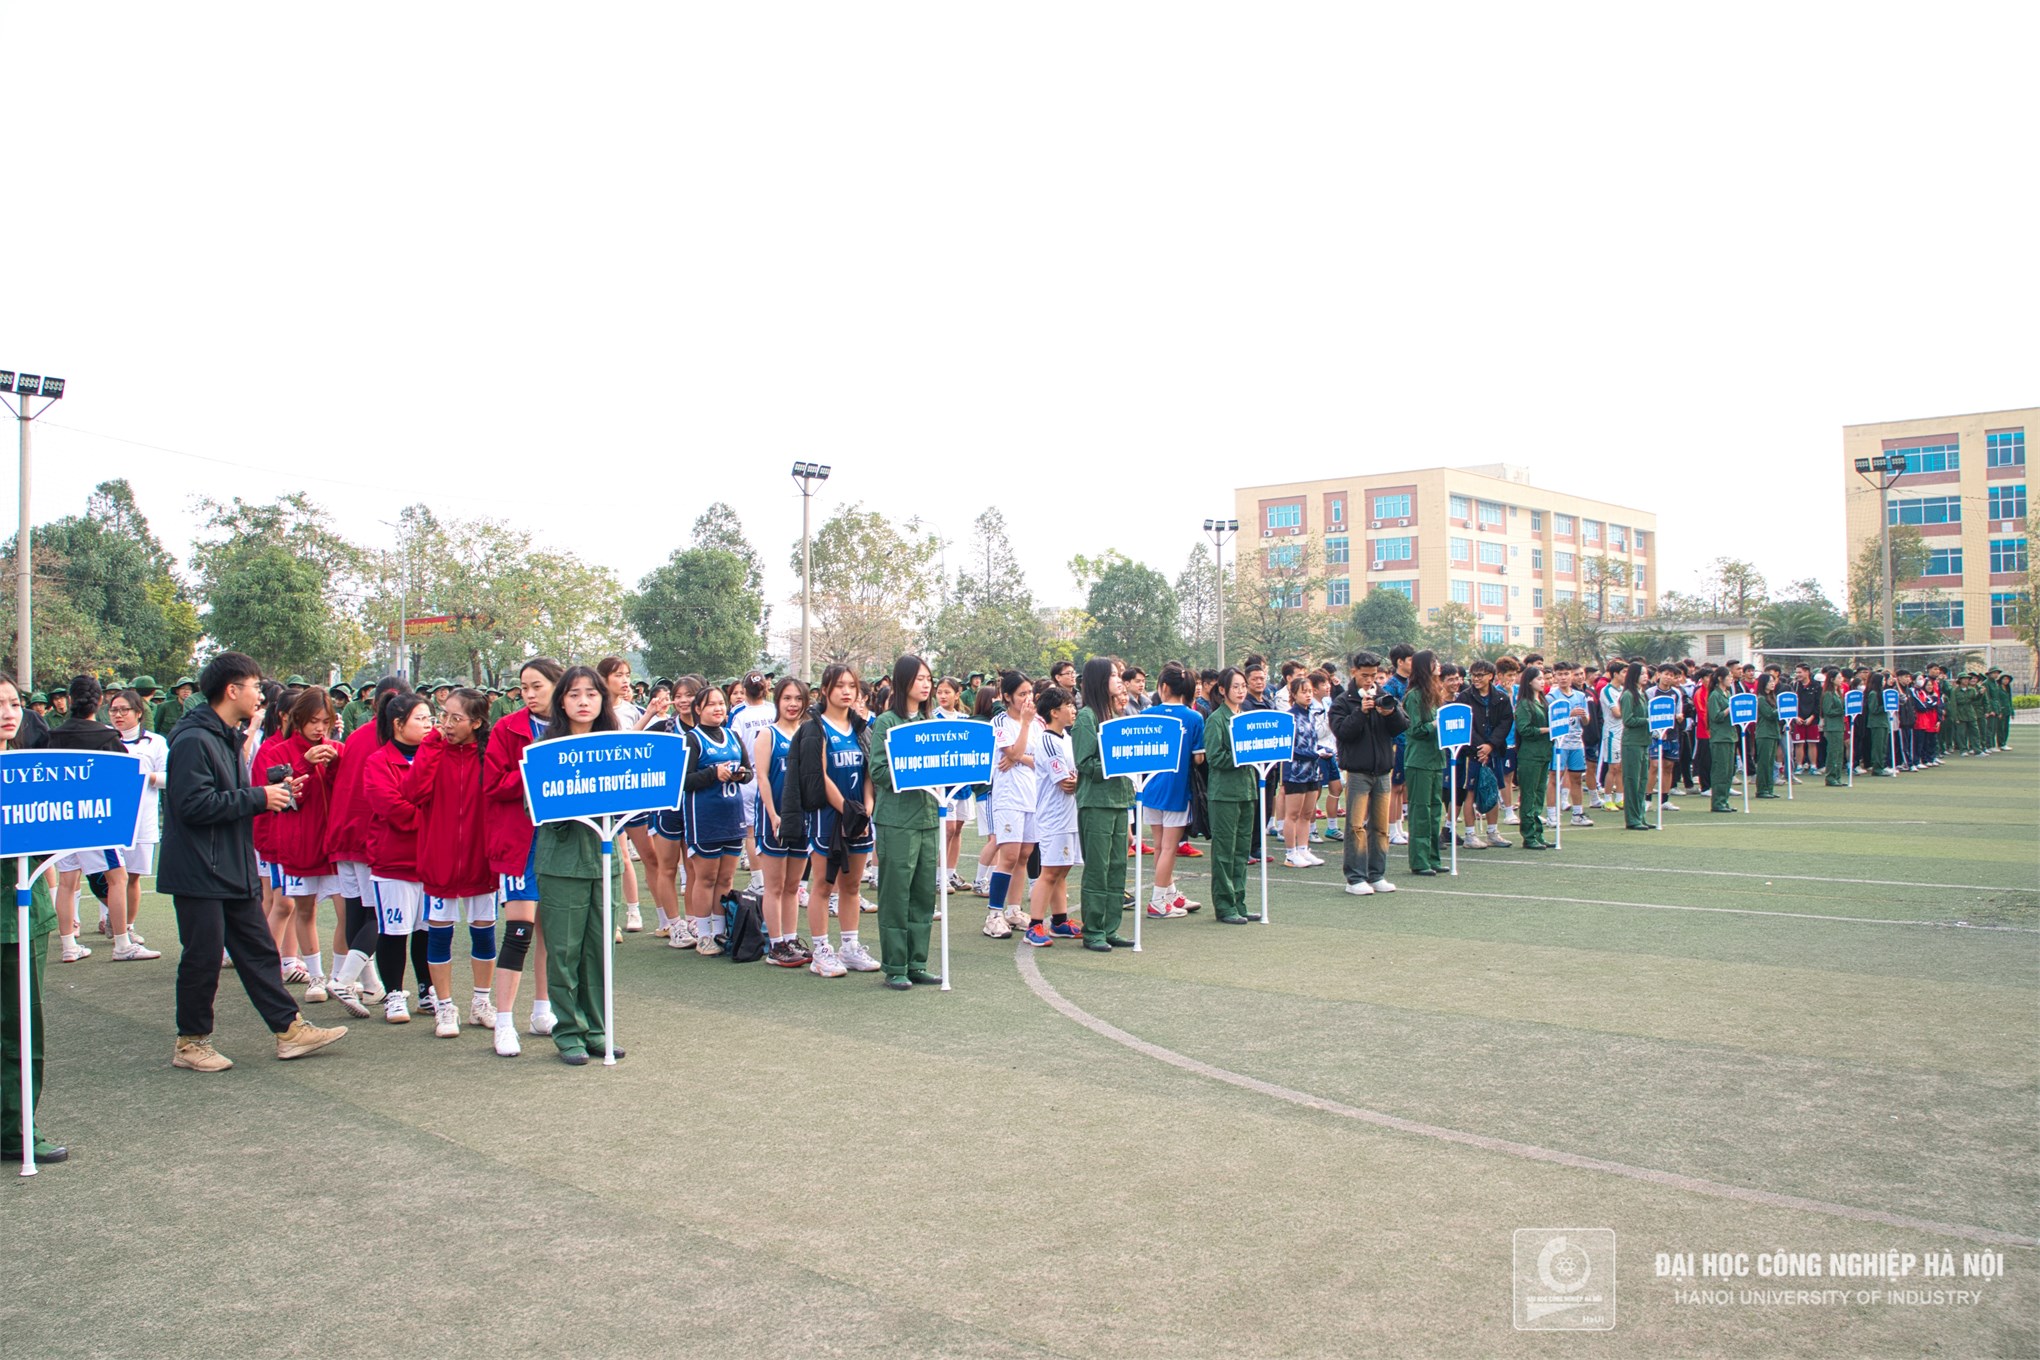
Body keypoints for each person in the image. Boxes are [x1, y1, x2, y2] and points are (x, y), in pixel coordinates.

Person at [160, 654, 347, 1071]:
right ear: (232, 690)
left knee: (260, 951)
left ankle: (289, 1029)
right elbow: (193, 805)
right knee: (202, 957)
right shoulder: (194, 739)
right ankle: (191, 1042)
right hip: (199, 870)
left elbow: (228, 797)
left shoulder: (225, 734)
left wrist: (272, 792)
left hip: (230, 866)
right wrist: (261, 797)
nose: (260, 694)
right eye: (254, 686)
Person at [531, 667, 626, 1065]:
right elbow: (537, 807)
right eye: (574, 694)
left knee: (599, 951)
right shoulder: (546, 749)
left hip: (606, 862)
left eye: (591, 694)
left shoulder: (619, 747)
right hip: (562, 864)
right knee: (565, 952)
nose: (583, 701)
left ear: (603, 701)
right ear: (562, 702)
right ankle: (568, 1031)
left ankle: (597, 1030)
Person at [402, 687, 499, 1038]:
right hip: (439, 861)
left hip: (480, 861)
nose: (445, 724)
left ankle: (481, 1003)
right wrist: (430, 746)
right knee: (439, 937)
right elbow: (412, 793)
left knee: (484, 935)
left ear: (476, 722)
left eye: (455, 718)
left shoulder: (488, 756)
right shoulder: (432, 751)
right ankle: (445, 1006)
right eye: (442, 716)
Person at [482, 658, 563, 1054]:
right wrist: (535, 770)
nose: (529, 695)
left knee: (551, 929)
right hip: (520, 842)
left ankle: (542, 1009)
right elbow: (494, 784)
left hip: (561, 840)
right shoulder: (507, 727)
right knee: (520, 930)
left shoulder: (574, 726)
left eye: (537, 687)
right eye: (524, 687)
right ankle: (503, 1021)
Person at [0, 675, 66, 1163]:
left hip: (22, 916)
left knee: (22, 1027)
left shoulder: (33, 772)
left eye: (13, 702)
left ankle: (18, 1127)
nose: (9, 711)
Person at [780, 664, 878, 977]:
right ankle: (822, 951)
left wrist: (867, 807)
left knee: (851, 887)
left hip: (859, 818)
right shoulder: (815, 728)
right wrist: (846, 809)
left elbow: (868, 772)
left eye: (852, 685)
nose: (847, 691)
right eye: (839, 686)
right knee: (823, 886)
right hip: (827, 818)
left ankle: (850, 947)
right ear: (826, 690)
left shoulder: (861, 727)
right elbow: (816, 775)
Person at [256, 687, 346, 999]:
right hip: (299, 845)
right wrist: (305, 764)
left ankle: (340, 976)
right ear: (297, 720)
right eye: (313, 721)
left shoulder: (337, 748)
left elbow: (344, 795)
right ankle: (317, 976)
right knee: (302, 910)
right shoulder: (276, 753)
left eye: (325, 721)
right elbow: (286, 799)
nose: (319, 728)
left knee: (345, 911)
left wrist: (334, 765)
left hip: (333, 845)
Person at [866, 655, 945, 988]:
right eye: (919, 679)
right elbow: (879, 772)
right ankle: (895, 965)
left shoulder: (935, 722)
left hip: (929, 817)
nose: (926, 684)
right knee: (896, 893)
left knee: (924, 894)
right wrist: (915, 771)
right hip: (897, 820)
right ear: (903, 683)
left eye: (929, 679)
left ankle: (917, 962)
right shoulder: (887, 722)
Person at [43, 676, 130, 963]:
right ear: (101, 701)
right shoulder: (106, 737)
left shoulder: (52, 736)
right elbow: (124, 779)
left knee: (68, 882)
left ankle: (68, 945)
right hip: (96, 820)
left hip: (61, 821)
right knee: (117, 879)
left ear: (70, 700)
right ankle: (122, 943)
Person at [363, 694, 434, 1023]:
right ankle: (393, 993)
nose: (428, 724)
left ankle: (427, 990)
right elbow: (391, 807)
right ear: (398, 724)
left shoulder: (436, 756)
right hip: (394, 862)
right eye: (420, 718)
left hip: (431, 862)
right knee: (394, 931)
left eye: (430, 718)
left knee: (428, 931)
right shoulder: (378, 761)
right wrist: (435, 819)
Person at [678, 682, 751, 956]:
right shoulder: (693, 739)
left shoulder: (732, 735)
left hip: (732, 816)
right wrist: (713, 774)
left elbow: (748, 772)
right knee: (705, 878)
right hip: (704, 818)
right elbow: (683, 781)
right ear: (698, 709)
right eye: (711, 704)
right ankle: (704, 933)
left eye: (721, 703)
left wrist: (741, 774)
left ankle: (721, 931)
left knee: (727, 878)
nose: (718, 708)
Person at [1327, 651, 1406, 893]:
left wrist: (1389, 713)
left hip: (1382, 770)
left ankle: (1377, 874)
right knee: (1355, 826)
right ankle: (1355, 878)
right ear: (1353, 672)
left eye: (1374, 675)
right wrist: (1361, 712)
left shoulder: (1385, 696)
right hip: (1358, 771)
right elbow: (1342, 732)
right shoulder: (1343, 701)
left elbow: (1403, 725)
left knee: (1380, 826)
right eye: (1364, 675)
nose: (1370, 680)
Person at [1072, 657, 1135, 950]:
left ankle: (1111, 927)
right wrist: (1114, 764)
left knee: (1118, 865)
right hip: (1097, 801)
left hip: (1120, 798)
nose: (1119, 679)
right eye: (1113, 675)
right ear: (1099, 680)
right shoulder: (1087, 717)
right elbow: (1085, 762)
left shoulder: (1116, 713)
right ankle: (1094, 929)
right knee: (1098, 866)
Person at [102, 687, 170, 956]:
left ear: (139, 714)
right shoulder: (105, 739)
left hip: (144, 819)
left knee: (133, 877)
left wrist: (146, 777)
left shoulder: (155, 742)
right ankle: (113, 924)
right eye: (113, 710)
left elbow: (169, 777)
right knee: (112, 876)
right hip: (112, 819)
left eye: (124, 710)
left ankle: (128, 926)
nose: (118, 715)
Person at [1138, 667, 1205, 916]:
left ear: (1163, 687)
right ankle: (1158, 900)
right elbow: (1198, 758)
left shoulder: (1147, 714)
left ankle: (1169, 893)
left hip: (1150, 787)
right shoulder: (1194, 718)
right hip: (1177, 789)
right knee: (1168, 848)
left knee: (1159, 846)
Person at [754, 678, 812, 967]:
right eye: (787, 698)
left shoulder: (808, 733)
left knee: (794, 886)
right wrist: (773, 814)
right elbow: (762, 777)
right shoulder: (768, 734)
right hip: (774, 817)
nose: (793, 704)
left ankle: (790, 939)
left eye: (798, 699)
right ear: (777, 700)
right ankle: (775, 945)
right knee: (774, 886)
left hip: (802, 817)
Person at [980, 671, 1041, 941]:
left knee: (1025, 853)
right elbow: (1013, 753)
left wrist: (1021, 758)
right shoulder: (1000, 723)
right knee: (1009, 855)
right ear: (1007, 697)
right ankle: (994, 914)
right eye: (1021, 694)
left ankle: (1014, 910)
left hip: (1032, 795)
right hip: (1008, 797)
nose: (1027, 699)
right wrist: (1021, 748)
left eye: (1030, 693)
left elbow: (1038, 758)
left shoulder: (1038, 724)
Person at [1022, 684, 1082, 948]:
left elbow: (1074, 776)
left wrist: (1077, 779)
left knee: (1062, 869)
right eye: (1068, 705)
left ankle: (1059, 920)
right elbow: (1065, 781)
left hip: (1069, 814)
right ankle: (1034, 925)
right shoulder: (1046, 740)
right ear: (1054, 712)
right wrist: (1079, 780)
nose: (1073, 709)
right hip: (1053, 816)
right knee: (1049, 871)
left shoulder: (1067, 738)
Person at [1201, 668, 1258, 923]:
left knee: (1241, 850)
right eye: (1235, 686)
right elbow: (1214, 758)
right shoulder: (1216, 719)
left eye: (1243, 686)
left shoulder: (1244, 717)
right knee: (1224, 851)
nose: (1241, 690)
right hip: (1224, 793)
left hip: (1247, 790)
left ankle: (1239, 901)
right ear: (1222, 690)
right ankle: (1225, 906)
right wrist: (1242, 754)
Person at [1402, 651, 1447, 876]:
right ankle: (1419, 860)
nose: (1438, 665)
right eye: (1433, 662)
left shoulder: (1435, 693)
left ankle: (1433, 857)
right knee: (1421, 810)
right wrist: (1436, 725)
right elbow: (1415, 729)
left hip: (1436, 759)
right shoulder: (1415, 695)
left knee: (1435, 810)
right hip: (1419, 760)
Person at [1279, 676, 1324, 867]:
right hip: (1295, 772)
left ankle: (1304, 849)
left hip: (1312, 771)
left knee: (1308, 813)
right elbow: (1288, 748)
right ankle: (1291, 852)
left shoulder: (1312, 714)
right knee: (1293, 814)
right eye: (1303, 691)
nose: (1308, 695)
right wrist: (1312, 754)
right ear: (1294, 694)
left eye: (1310, 691)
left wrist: (1322, 752)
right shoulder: (1289, 717)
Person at [1514, 667, 1552, 849]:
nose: (1542, 681)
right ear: (1529, 681)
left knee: (1539, 795)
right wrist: (1547, 730)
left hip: (1544, 752)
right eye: (1539, 679)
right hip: (1530, 754)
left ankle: (1538, 833)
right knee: (1529, 795)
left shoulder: (1542, 701)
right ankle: (1529, 835)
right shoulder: (1524, 704)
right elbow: (1524, 729)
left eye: (1543, 678)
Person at [1618, 663, 1652, 830]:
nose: (1646, 676)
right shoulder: (1628, 695)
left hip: (1644, 741)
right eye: (1642, 674)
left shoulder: (1642, 694)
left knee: (1642, 780)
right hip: (1632, 742)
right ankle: (1632, 818)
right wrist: (1648, 721)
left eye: (1646, 674)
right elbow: (1628, 720)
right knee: (1632, 780)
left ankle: (1640, 815)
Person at [1753, 672, 1783, 798]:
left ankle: (1769, 788)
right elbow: (1770, 714)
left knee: (1770, 762)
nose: (1772, 684)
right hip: (1764, 733)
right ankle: (1762, 789)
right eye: (1770, 681)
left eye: (1773, 681)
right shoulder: (1760, 699)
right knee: (1764, 763)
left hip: (1772, 733)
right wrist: (1782, 709)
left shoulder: (1771, 697)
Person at [1820, 669, 1848, 786]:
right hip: (1832, 727)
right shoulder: (1828, 694)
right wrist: (1842, 710)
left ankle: (1837, 776)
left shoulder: (1838, 693)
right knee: (1833, 752)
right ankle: (1831, 776)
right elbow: (1827, 710)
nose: (1841, 680)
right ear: (1832, 680)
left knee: (1839, 752)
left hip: (1839, 726)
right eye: (1839, 678)